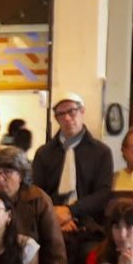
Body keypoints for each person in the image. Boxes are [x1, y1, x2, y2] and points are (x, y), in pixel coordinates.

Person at [32, 91, 114, 233]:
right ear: (56, 118)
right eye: (61, 114)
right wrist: (55, 215)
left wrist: (70, 211)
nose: (67, 118)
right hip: (50, 221)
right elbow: (36, 192)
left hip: (89, 222)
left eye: (72, 112)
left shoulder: (101, 152)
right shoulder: (43, 153)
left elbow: (103, 193)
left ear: (82, 111)